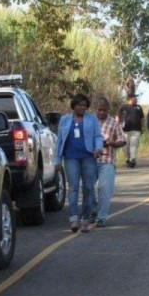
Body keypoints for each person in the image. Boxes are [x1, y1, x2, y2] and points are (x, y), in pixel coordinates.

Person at [55, 93, 104, 233]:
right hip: (70, 158)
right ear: (74, 105)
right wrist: (57, 159)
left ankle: (85, 219)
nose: (82, 108)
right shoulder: (64, 120)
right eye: (80, 105)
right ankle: (73, 218)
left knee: (88, 187)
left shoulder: (91, 119)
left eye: (84, 106)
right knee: (73, 187)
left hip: (88, 156)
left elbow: (97, 136)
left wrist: (98, 148)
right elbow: (59, 141)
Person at [92, 97, 126, 227]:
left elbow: (122, 140)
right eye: (99, 110)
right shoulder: (90, 122)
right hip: (90, 160)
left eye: (104, 110)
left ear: (108, 110)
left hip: (107, 160)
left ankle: (101, 217)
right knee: (87, 188)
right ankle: (93, 212)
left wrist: (111, 143)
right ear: (95, 109)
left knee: (104, 189)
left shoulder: (113, 123)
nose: (101, 113)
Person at [116, 94, 145, 168]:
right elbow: (117, 117)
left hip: (136, 129)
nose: (136, 99)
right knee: (125, 146)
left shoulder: (138, 107)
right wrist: (116, 127)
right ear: (130, 98)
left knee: (133, 145)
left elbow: (142, 118)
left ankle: (133, 159)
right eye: (135, 97)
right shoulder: (123, 107)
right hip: (124, 130)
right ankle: (127, 159)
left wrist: (143, 127)